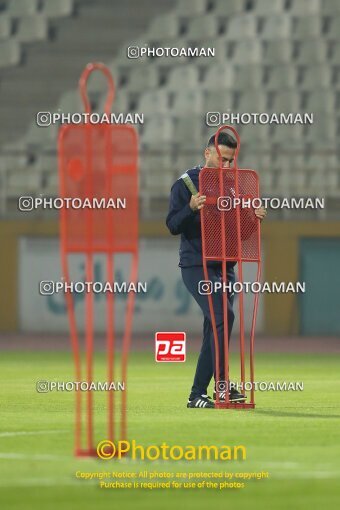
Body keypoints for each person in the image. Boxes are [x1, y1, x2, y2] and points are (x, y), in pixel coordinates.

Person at [166, 131, 266, 409]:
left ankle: (220, 388)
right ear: (206, 153)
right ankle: (198, 393)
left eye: (231, 161)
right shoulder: (186, 183)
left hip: (226, 265)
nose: (226, 166)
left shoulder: (232, 186)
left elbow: (241, 234)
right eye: (222, 159)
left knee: (217, 324)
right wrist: (190, 209)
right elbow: (172, 225)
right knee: (224, 316)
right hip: (197, 265)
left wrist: (253, 218)